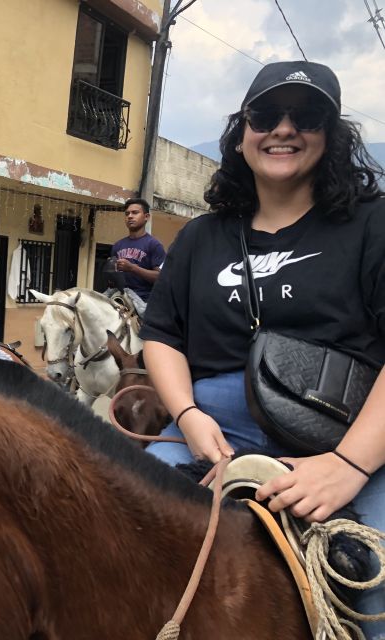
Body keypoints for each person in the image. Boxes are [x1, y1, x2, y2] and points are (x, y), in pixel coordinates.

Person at [139, 61, 385, 635]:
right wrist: (188, 414)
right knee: (116, 529)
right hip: (210, 433)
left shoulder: (373, 224)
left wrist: (349, 466)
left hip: (348, 435)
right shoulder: (202, 236)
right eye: (267, 115)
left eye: (307, 116)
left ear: (332, 133)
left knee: (371, 579)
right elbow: (162, 334)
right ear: (242, 130)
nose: (284, 129)